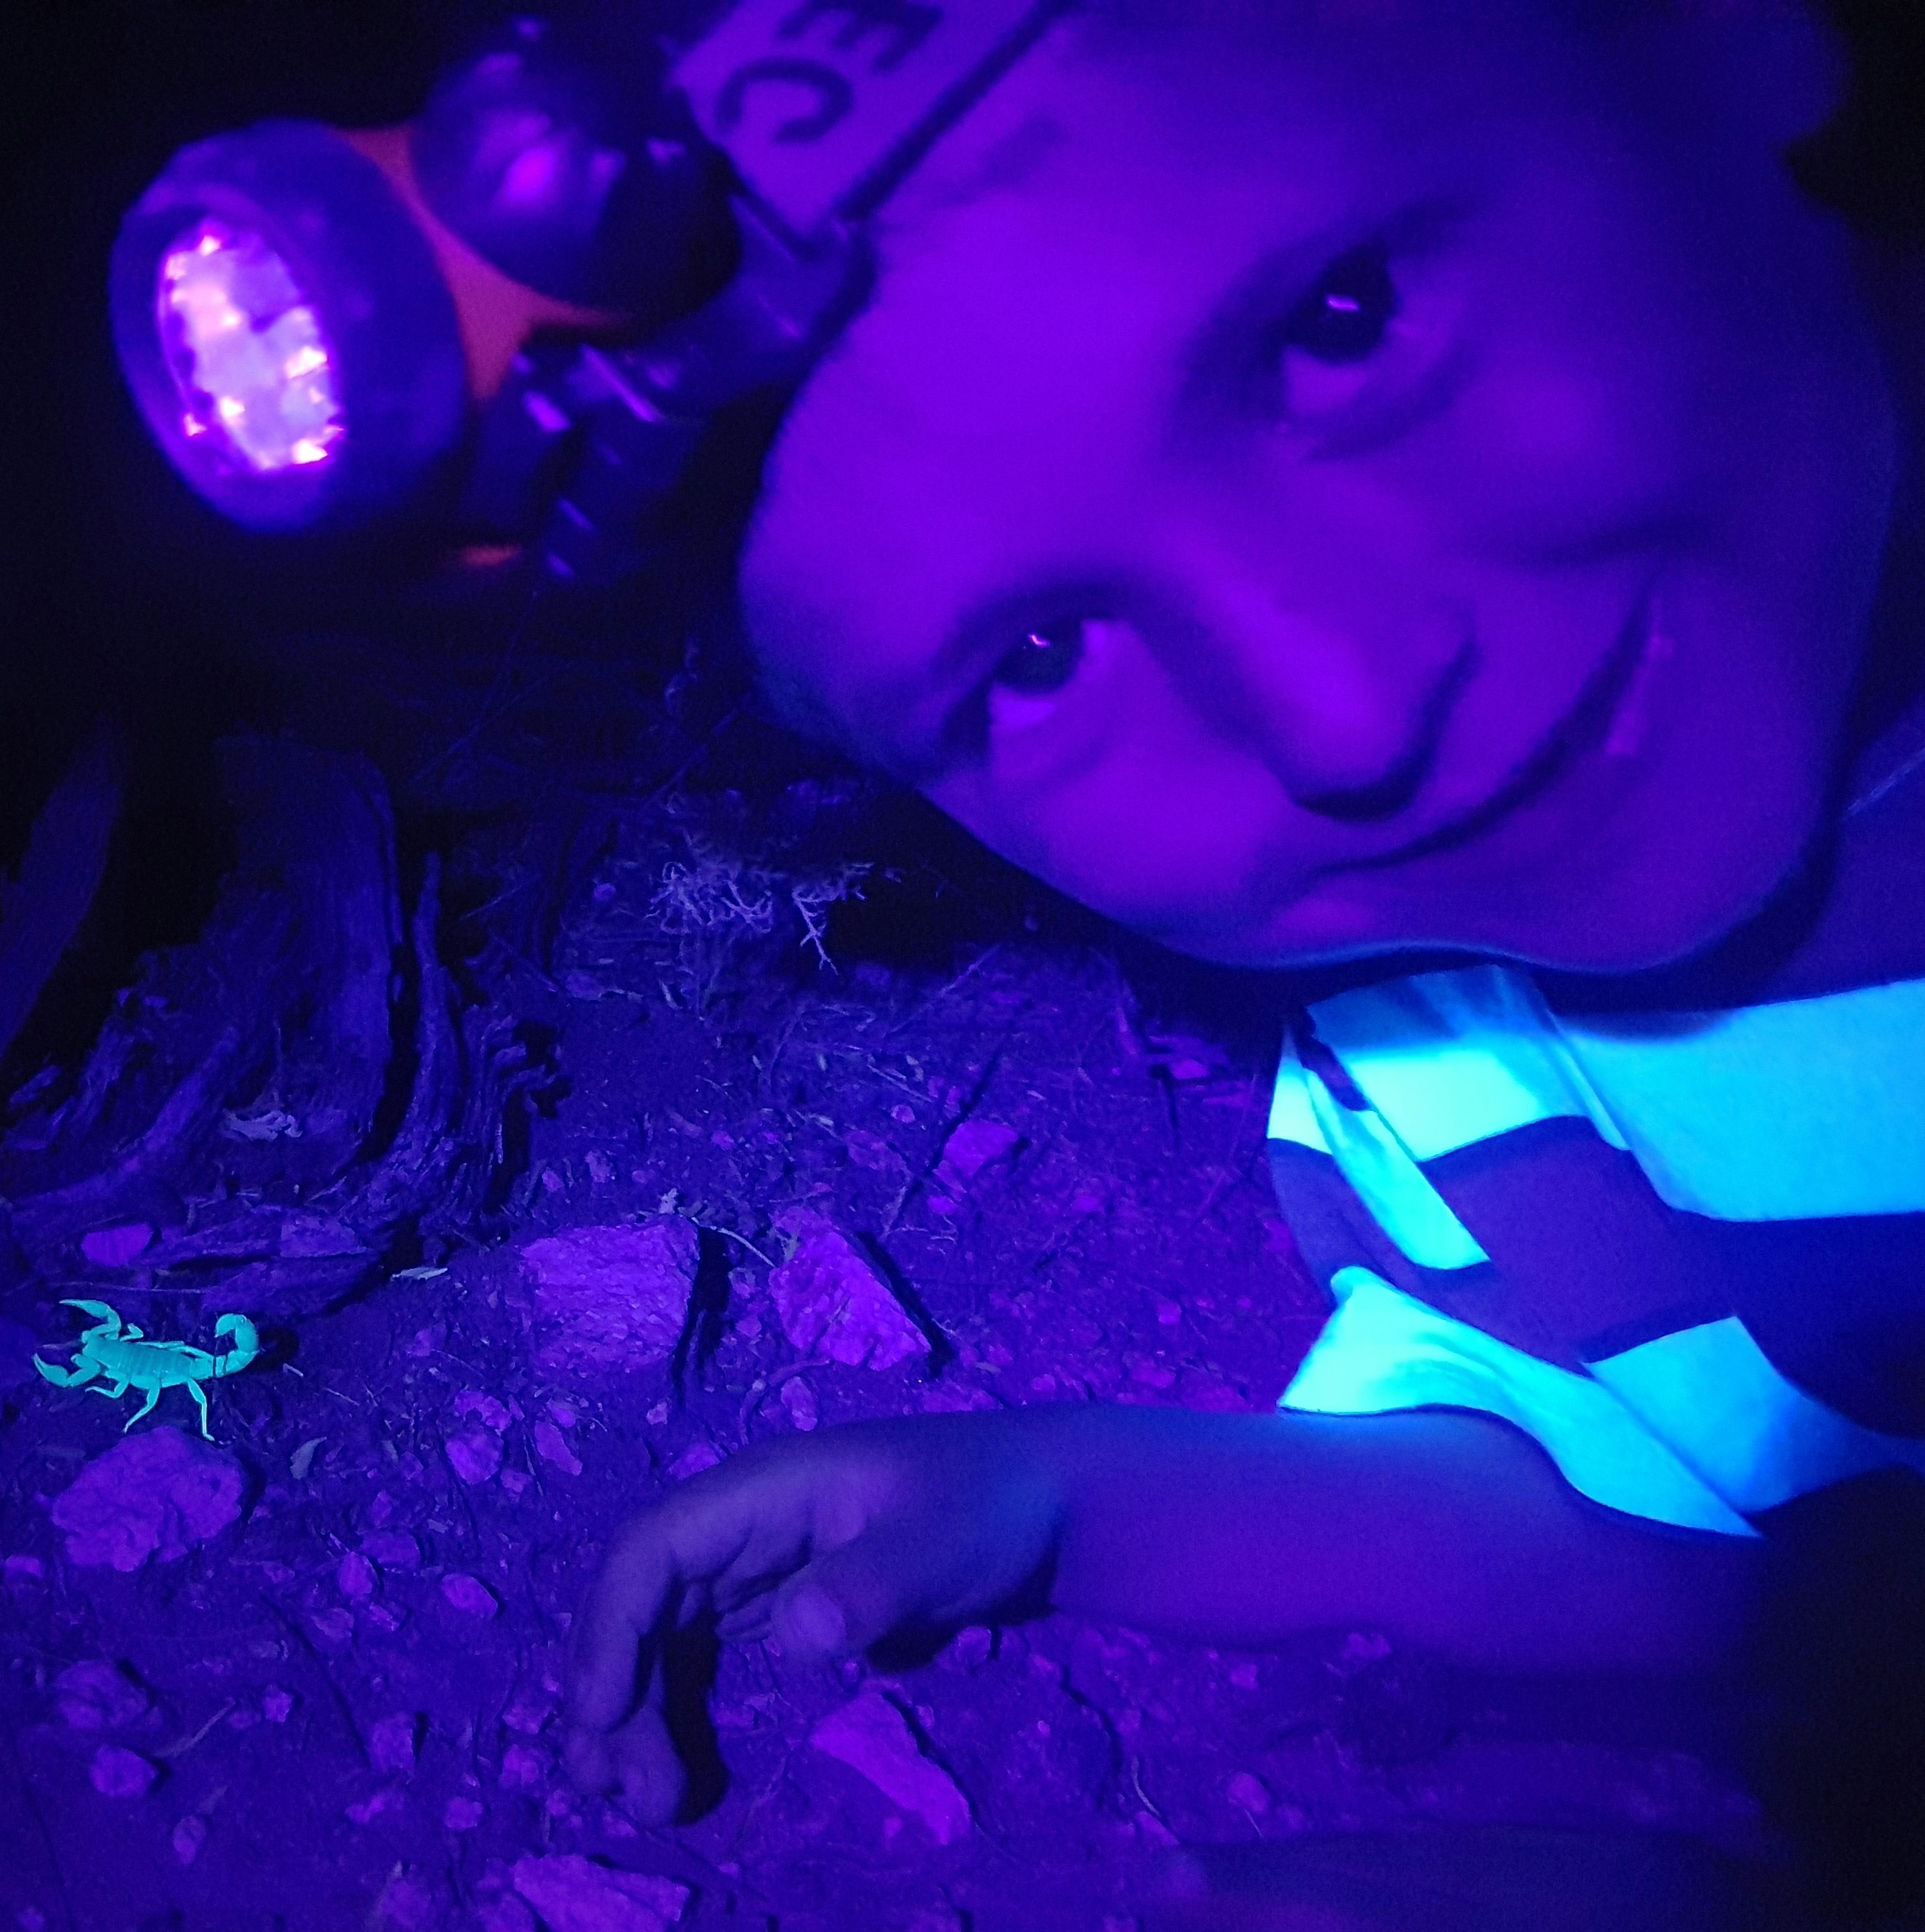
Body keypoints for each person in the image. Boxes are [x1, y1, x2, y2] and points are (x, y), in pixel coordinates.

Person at [565, 4, 1925, 1918]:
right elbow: (1649, 1504)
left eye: (1344, 321)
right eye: (1038, 663)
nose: (1343, 706)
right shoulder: (1453, 1030)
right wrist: (1055, 1496)